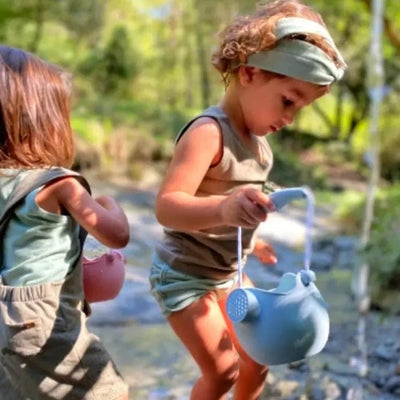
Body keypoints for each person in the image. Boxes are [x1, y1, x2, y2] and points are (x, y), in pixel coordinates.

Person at [150, 1, 346, 399]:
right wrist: (223, 208)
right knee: (223, 369)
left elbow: (238, 215)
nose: (290, 117)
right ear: (250, 73)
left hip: (227, 273)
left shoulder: (262, 150)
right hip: (184, 275)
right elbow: (168, 207)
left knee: (257, 360)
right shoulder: (209, 133)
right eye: (289, 101)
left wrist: (253, 242)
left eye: (301, 108)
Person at [0, 46, 130, 400]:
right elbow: (117, 235)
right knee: (107, 393)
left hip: (4, 324)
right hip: (43, 323)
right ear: (43, 121)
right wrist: (110, 204)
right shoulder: (60, 184)